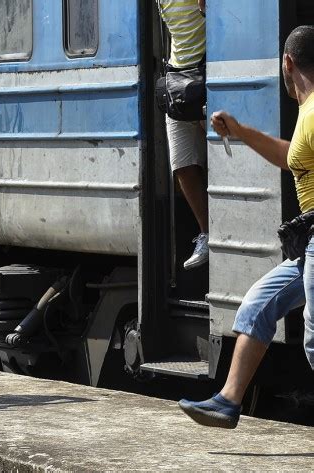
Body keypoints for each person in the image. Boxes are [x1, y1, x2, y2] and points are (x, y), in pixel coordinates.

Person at [178, 25, 314, 428]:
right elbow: (293, 156)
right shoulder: (307, 112)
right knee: (258, 303)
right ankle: (227, 401)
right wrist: (240, 132)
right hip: (309, 243)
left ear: (287, 64)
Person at [158, 0, 209, 269]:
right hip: (178, 75)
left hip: (207, 70)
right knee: (181, 164)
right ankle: (207, 233)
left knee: (217, 155)